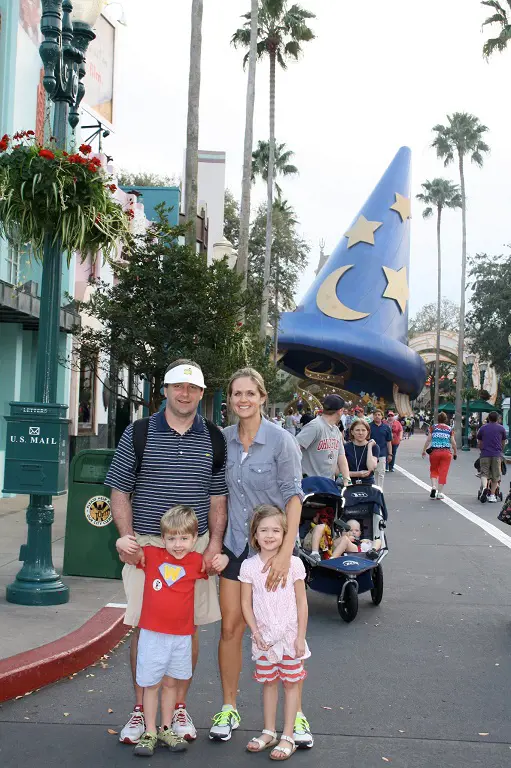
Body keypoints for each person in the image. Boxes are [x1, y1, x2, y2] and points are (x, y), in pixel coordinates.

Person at [105, 359, 228, 745]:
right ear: (165, 389)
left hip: (196, 547)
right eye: (178, 386)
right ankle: (141, 712)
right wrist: (126, 537)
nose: (184, 393)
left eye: (192, 388)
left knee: (186, 628)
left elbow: (217, 498)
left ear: (201, 393)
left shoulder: (214, 437)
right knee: (145, 627)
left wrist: (216, 546)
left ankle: (177, 709)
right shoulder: (139, 432)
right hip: (149, 548)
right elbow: (120, 489)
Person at [210, 368, 314, 749]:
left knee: (285, 631)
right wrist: (214, 544)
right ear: (230, 399)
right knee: (231, 630)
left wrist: (286, 553)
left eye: (250, 393)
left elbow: (293, 496)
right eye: (237, 393)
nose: (243, 399)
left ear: (262, 397)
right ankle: (228, 707)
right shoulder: (223, 441)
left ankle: (295, 714)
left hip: (273, 551)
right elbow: (217, 494)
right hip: (237, 548)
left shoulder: (281, 441)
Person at [217, 505, 309, 759]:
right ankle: (269, 732)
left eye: (276, 530)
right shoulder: (248, 567)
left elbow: (302, 602)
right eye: (263, 530)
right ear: (254, 535)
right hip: (264, 640)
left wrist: (300, 636)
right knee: (269, 684)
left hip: (290, 638)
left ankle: (288, 735)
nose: (270, 535)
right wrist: (255, 632)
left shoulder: (294, 564)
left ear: (285, 533)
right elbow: (246, 603)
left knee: (291, 684)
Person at [122, 506, 215, 757]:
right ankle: (150, 730)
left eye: (184, 538)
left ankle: (166, 727)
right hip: (153, 635)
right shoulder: (151, 555)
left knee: (172, 682)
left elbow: (216, 567)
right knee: (151, 684)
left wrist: (223, 559)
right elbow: (126, 554)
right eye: (171, 538)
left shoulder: (197, 561)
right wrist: (123, 541)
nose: (177, 544)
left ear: (195, 539)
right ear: (162, 538)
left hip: (181, 635)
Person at [296, 394, 350, 482]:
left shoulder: (336, 430)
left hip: (328, 483)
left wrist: (347, 479)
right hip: (311, 484)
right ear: (340, 411)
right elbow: (293, 449)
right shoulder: (315, 426)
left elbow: (341, 456)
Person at [421, 412, 457, 500]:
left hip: (434, 452)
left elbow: (428, 440)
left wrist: (424, 450)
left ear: (438, 419)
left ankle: (434, 486)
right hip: (446, 452)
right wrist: (455, 452)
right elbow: (453, 442)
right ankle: (439, 493)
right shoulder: (449, 429)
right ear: (446, 420)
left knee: (434, 470)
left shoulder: (433, 427)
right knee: (443, 472)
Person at [477, 411, 507, 502]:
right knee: (496, 476)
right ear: (497, 419)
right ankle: (492, 495)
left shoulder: (483, 428)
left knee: (484, 473)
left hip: (485, 454)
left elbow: (479, 442)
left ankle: (485, 488)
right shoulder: (501, 429)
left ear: (488, 418)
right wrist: (500, 450)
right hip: (496, 454)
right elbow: (503, 442)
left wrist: (482, 449)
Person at [370, 409, 392, 489]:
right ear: (373, 416)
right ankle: (373, 489)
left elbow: (389, 441)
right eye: (375, 414)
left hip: (382, 452)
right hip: (371, 453)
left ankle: (380, 490)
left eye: (379, 415)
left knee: (381, 472)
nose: (377, 416)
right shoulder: (369, 426)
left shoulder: (386, 427)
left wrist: (390, 454)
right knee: (372, 472)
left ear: (382, 416)